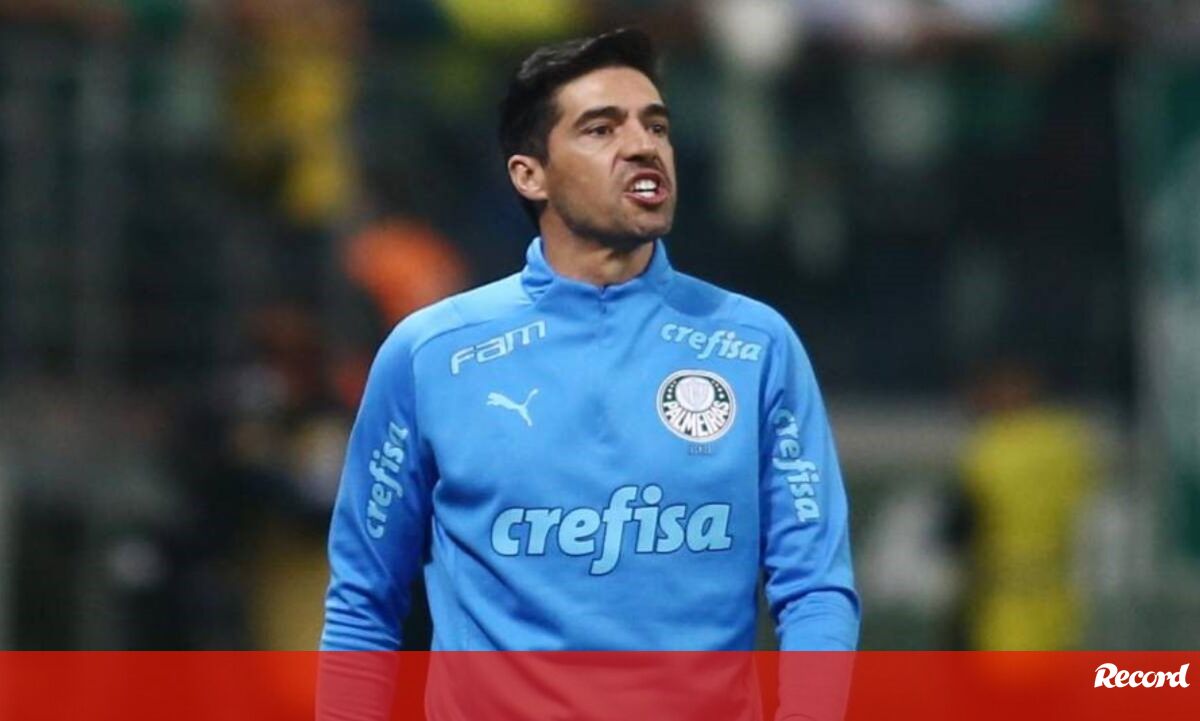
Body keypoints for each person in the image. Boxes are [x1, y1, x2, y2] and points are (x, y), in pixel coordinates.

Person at [319, 28, 858, 713]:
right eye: (601, 129)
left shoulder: (754, 345)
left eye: (655, 126)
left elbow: (814, 587)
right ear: (530, 174)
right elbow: (364, 601)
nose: (642, 146)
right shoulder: (432, 354)